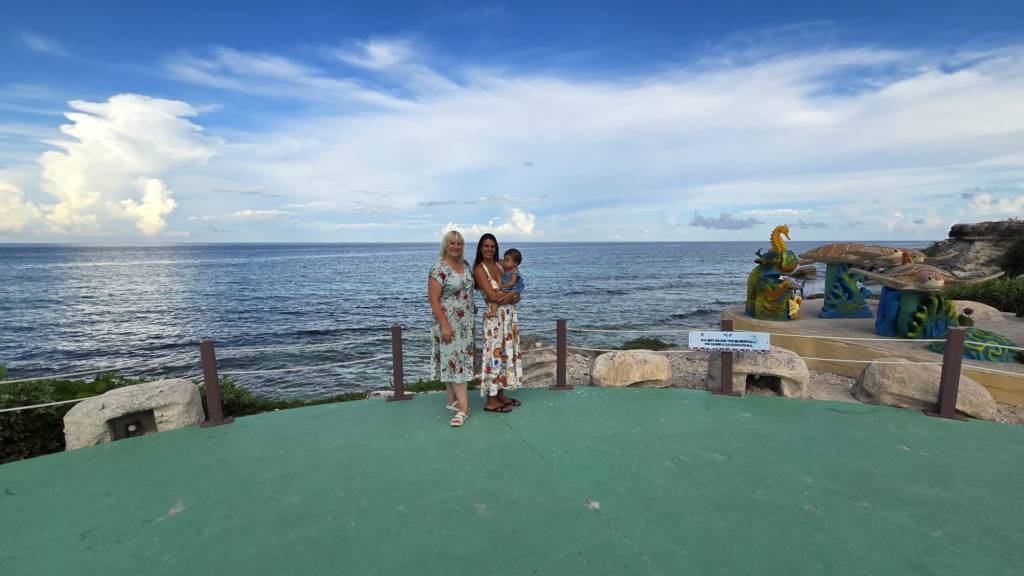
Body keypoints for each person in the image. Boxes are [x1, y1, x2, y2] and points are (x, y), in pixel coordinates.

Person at [427, 230, 476, 427]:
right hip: (449, 323)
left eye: (459, 243)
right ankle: (464, 409)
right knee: (457, 363)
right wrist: (445, 325)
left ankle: (452, 400)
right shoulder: (438, 268)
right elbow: (433, 300)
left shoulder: (465, 265)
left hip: (466, 324)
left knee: (452, 361)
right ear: (445, 245)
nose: (455, 246)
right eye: (452, 243)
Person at [473, 234, 523, 412]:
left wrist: (513, 295)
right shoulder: (479, 269)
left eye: (492, 246)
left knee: (505, 355)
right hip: (494, 319)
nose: (489, 249)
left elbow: (518, 294)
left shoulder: (502, 265)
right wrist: (511, 295)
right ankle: (491, 400)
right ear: (480, 248)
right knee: (494, 356)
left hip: (508, 317)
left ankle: (500, 394)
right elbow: (492, 296)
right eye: (486, 246)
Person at [485, 248, 523, 318]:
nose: (504, 262)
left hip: (510, 289)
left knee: (495, 298)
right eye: (504, 260)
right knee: (495, 297)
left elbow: (512, 283)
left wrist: (501, 286)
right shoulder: (508, 268)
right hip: (508, 289)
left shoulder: (514, 272)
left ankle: (493, 312)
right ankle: (494, 311)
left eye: (507, 261)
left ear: (515, 263)